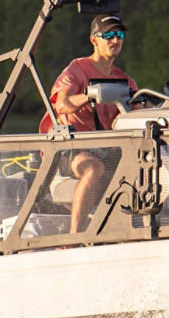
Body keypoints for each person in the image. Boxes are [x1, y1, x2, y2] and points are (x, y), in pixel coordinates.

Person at [48, 14, 138, 233]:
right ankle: (75, 237)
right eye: (108, 35)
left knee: (150, 162)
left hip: (111, 149)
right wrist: (90, 95)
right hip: (73, 149)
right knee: (93, 168)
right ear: (94, 40)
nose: (115, 40)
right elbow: (61, 105)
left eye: (119, 34)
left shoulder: (124, 79)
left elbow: (139, 113)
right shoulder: (76, 69)